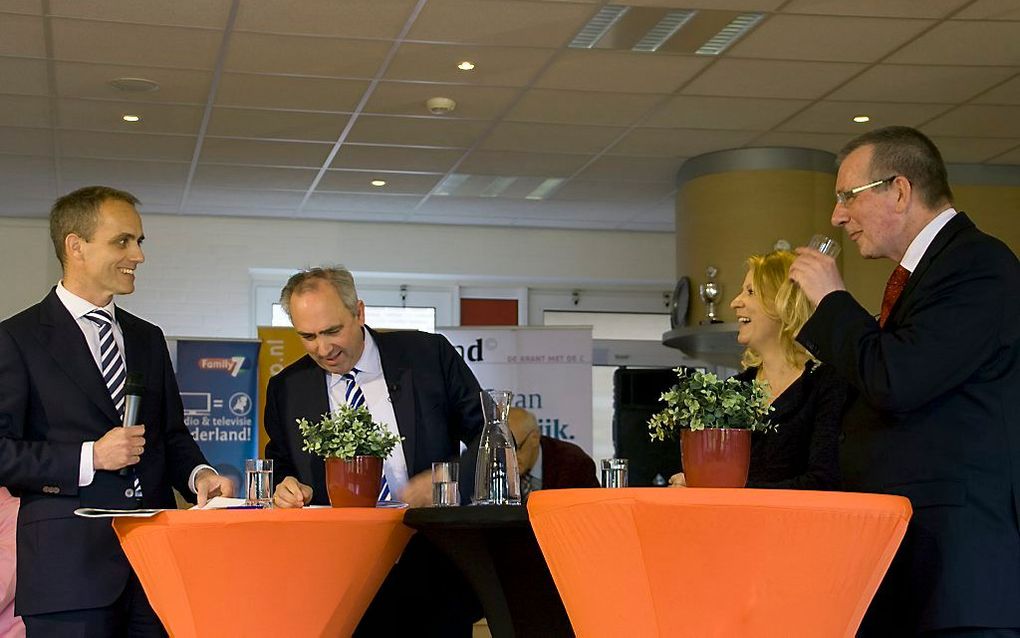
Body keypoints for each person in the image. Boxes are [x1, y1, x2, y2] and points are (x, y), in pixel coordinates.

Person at [789, 126, 1020, 637]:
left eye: (847, 196)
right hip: (916, 569)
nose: (837, 216)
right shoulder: (931, 272)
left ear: (899, 189)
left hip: (958, 575)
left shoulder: (978, 265)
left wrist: (831, 300)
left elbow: (898, 379)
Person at [0, 186, 234, 637]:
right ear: (76, 246)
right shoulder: (16, 339)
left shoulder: (148, 337)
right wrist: (90, 457)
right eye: (123, 241)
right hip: (67, 576)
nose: (138, 256)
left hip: (156, 569)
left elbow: (171, 435)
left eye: (139, 242)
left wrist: (200, 475)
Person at [264, 266, 484, 636]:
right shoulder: (287, 388)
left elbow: (492, 436)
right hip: (340, 582)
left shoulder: (428, 356)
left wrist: (448, 479)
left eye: (333, 331)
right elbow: (282, 465)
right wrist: (284, 486)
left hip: (432, 566)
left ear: (359, 312)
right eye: (308, 336)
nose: (323, 348)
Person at [669, 250, 845, 490]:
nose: (735, 302)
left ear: (784, 302)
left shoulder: (828, 383)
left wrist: (732, 490)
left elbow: (823, 481)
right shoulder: (734, 390)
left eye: (750, 292)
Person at [507, 407, 599, 497]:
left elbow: (592, 509)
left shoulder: (575, 464)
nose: (509, 459)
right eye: (504, 451)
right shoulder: (495, 464)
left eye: (516, 448)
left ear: (534, 438)